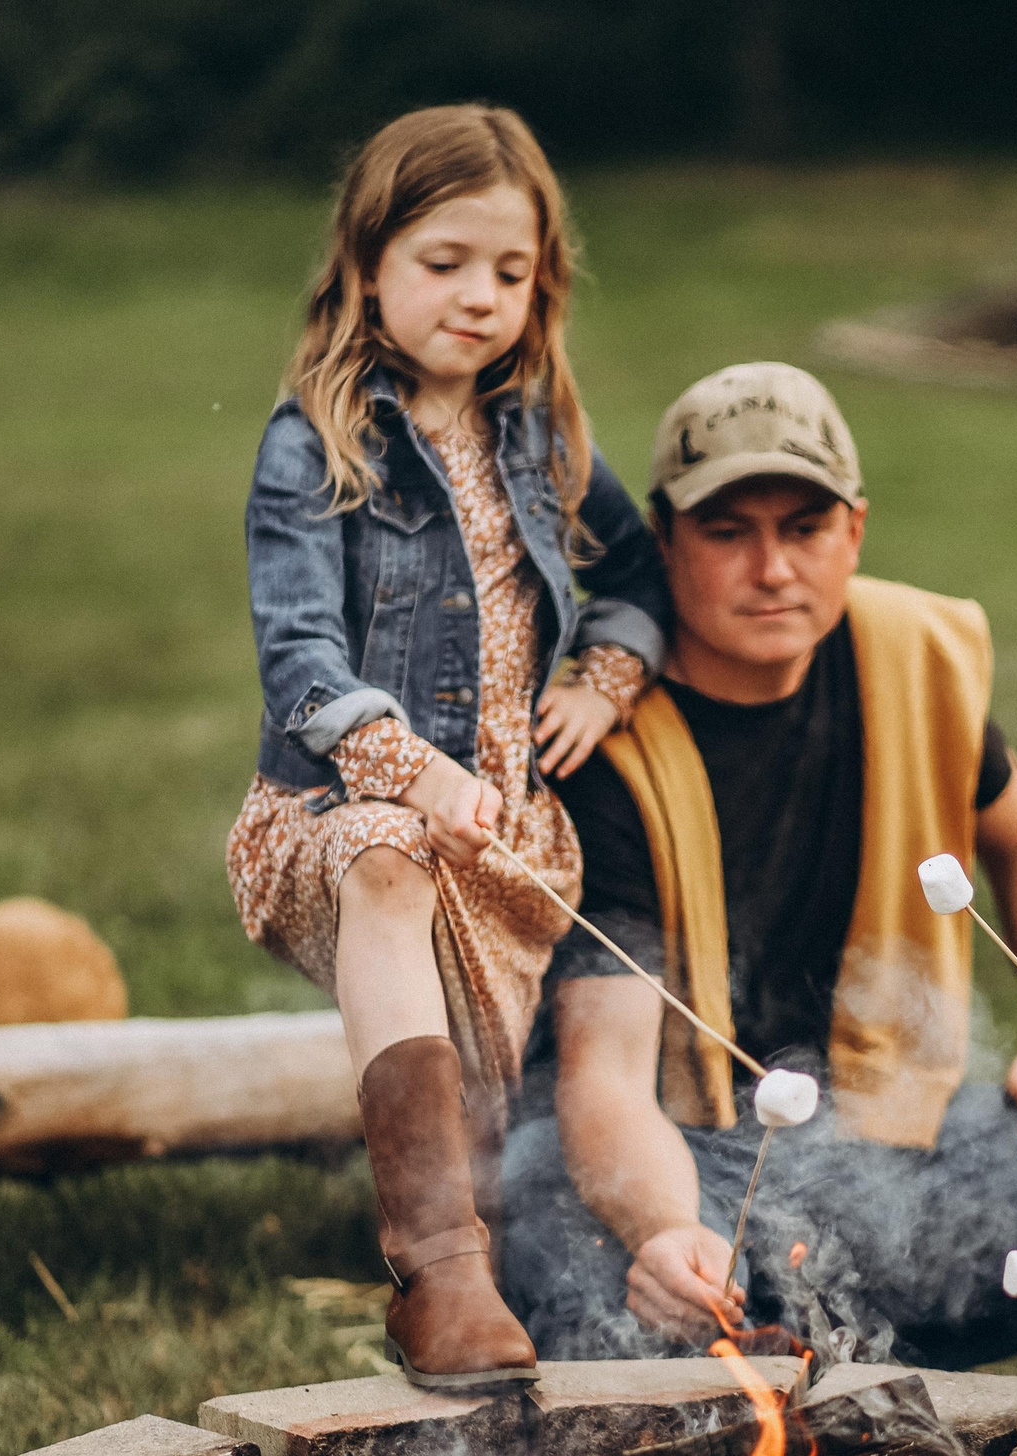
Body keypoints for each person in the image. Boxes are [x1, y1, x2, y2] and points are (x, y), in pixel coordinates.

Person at [499, 362, 1017, 1366]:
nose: (773, 569)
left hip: (884, 1133)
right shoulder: (609, 744)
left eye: (804, 528)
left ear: (855, 532)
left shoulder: (908, 657)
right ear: (662, 542)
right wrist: (668, 1234)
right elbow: (604, 1076)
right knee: (577, 1248)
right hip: (677, 1151)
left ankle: (805, 1337)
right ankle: (801, 1332)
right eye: (727, 532)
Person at [224, 106, 670, 1389]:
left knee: (505, 1124)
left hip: (505, 835)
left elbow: (637, 574)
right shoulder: (315, 444)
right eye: (444, 262)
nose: (480, 297)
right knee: (385, 853)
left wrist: (604, 677)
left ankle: (517, 1309)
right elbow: (299, 660)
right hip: (335, 816)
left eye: (510, 272)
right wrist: (408, 767)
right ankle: (437, 1269)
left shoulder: (542, 439)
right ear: (368, 265)